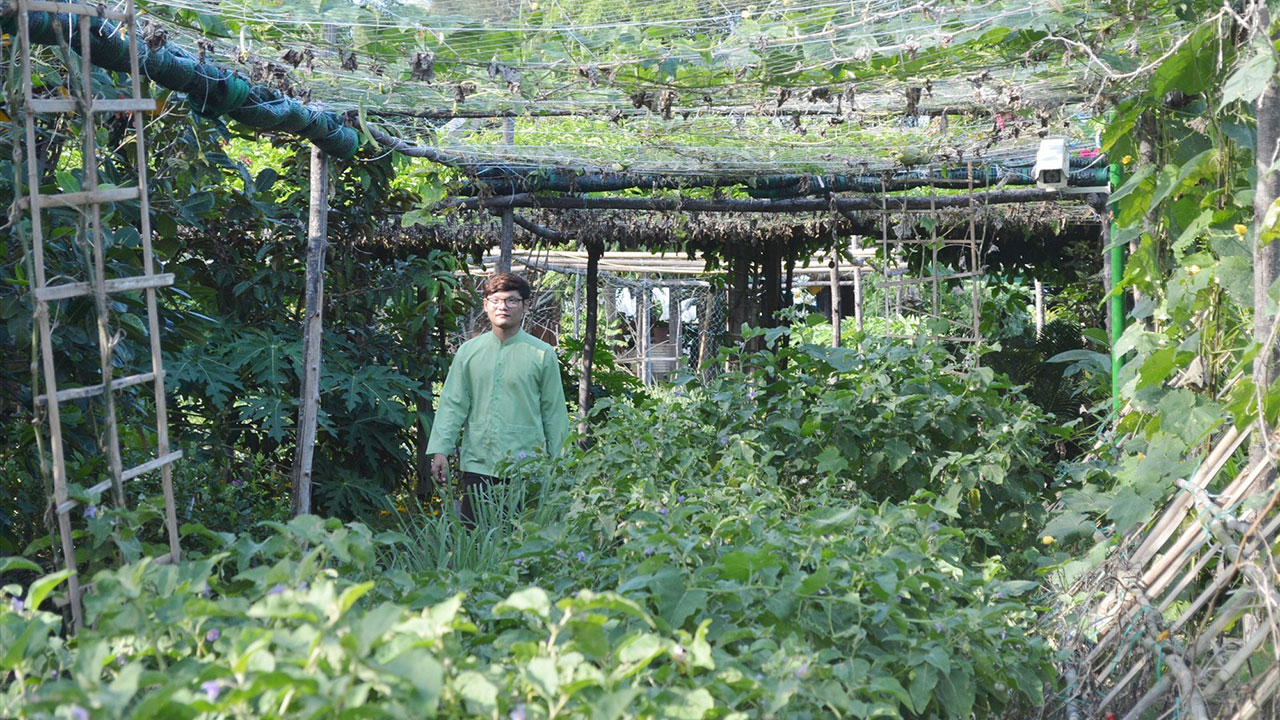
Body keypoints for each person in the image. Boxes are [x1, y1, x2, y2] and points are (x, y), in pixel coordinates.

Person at [426, 272, 570, 525]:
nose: (503, 307)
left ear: (526, 305)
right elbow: (452, 404)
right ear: (485, 305)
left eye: (512, 300)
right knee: (475, 537)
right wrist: (440, 451)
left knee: (522, 538)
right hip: (478, 463)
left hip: (526, 466)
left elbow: (554, 411)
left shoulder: (542, 354)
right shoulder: (468, 352)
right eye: (495, 300)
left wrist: (560, 464)